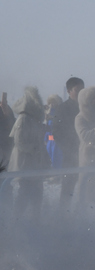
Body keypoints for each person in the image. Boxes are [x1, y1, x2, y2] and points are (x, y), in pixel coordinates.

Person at [8, 87, 50, 220]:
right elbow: (20, 142)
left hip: (34, 163)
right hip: (25, 162)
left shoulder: (33, 120)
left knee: (37, 193)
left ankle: (35, 220)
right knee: (25, 193)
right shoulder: (23, 119)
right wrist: (35, 149)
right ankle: (17, 221)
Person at [52, 77, 84, 206]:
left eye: (82, 89)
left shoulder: (87, 108)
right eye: (77, 89)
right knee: (68, 187)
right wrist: (68, 149)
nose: (81, 92)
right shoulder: (62, 109)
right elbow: (56, 133)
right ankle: (63, 215)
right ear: (69, 90)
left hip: (86, 153)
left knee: (85, 186)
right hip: (70, 155)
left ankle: (83, 214)